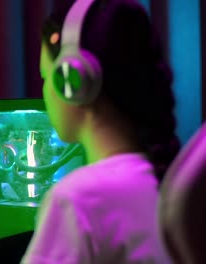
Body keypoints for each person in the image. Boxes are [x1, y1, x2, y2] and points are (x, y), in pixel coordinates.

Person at [21, 0, 180, 263]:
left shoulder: (77, 201)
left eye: (45, 77)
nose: (45, 92)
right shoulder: (172, 180)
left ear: (73, 81)